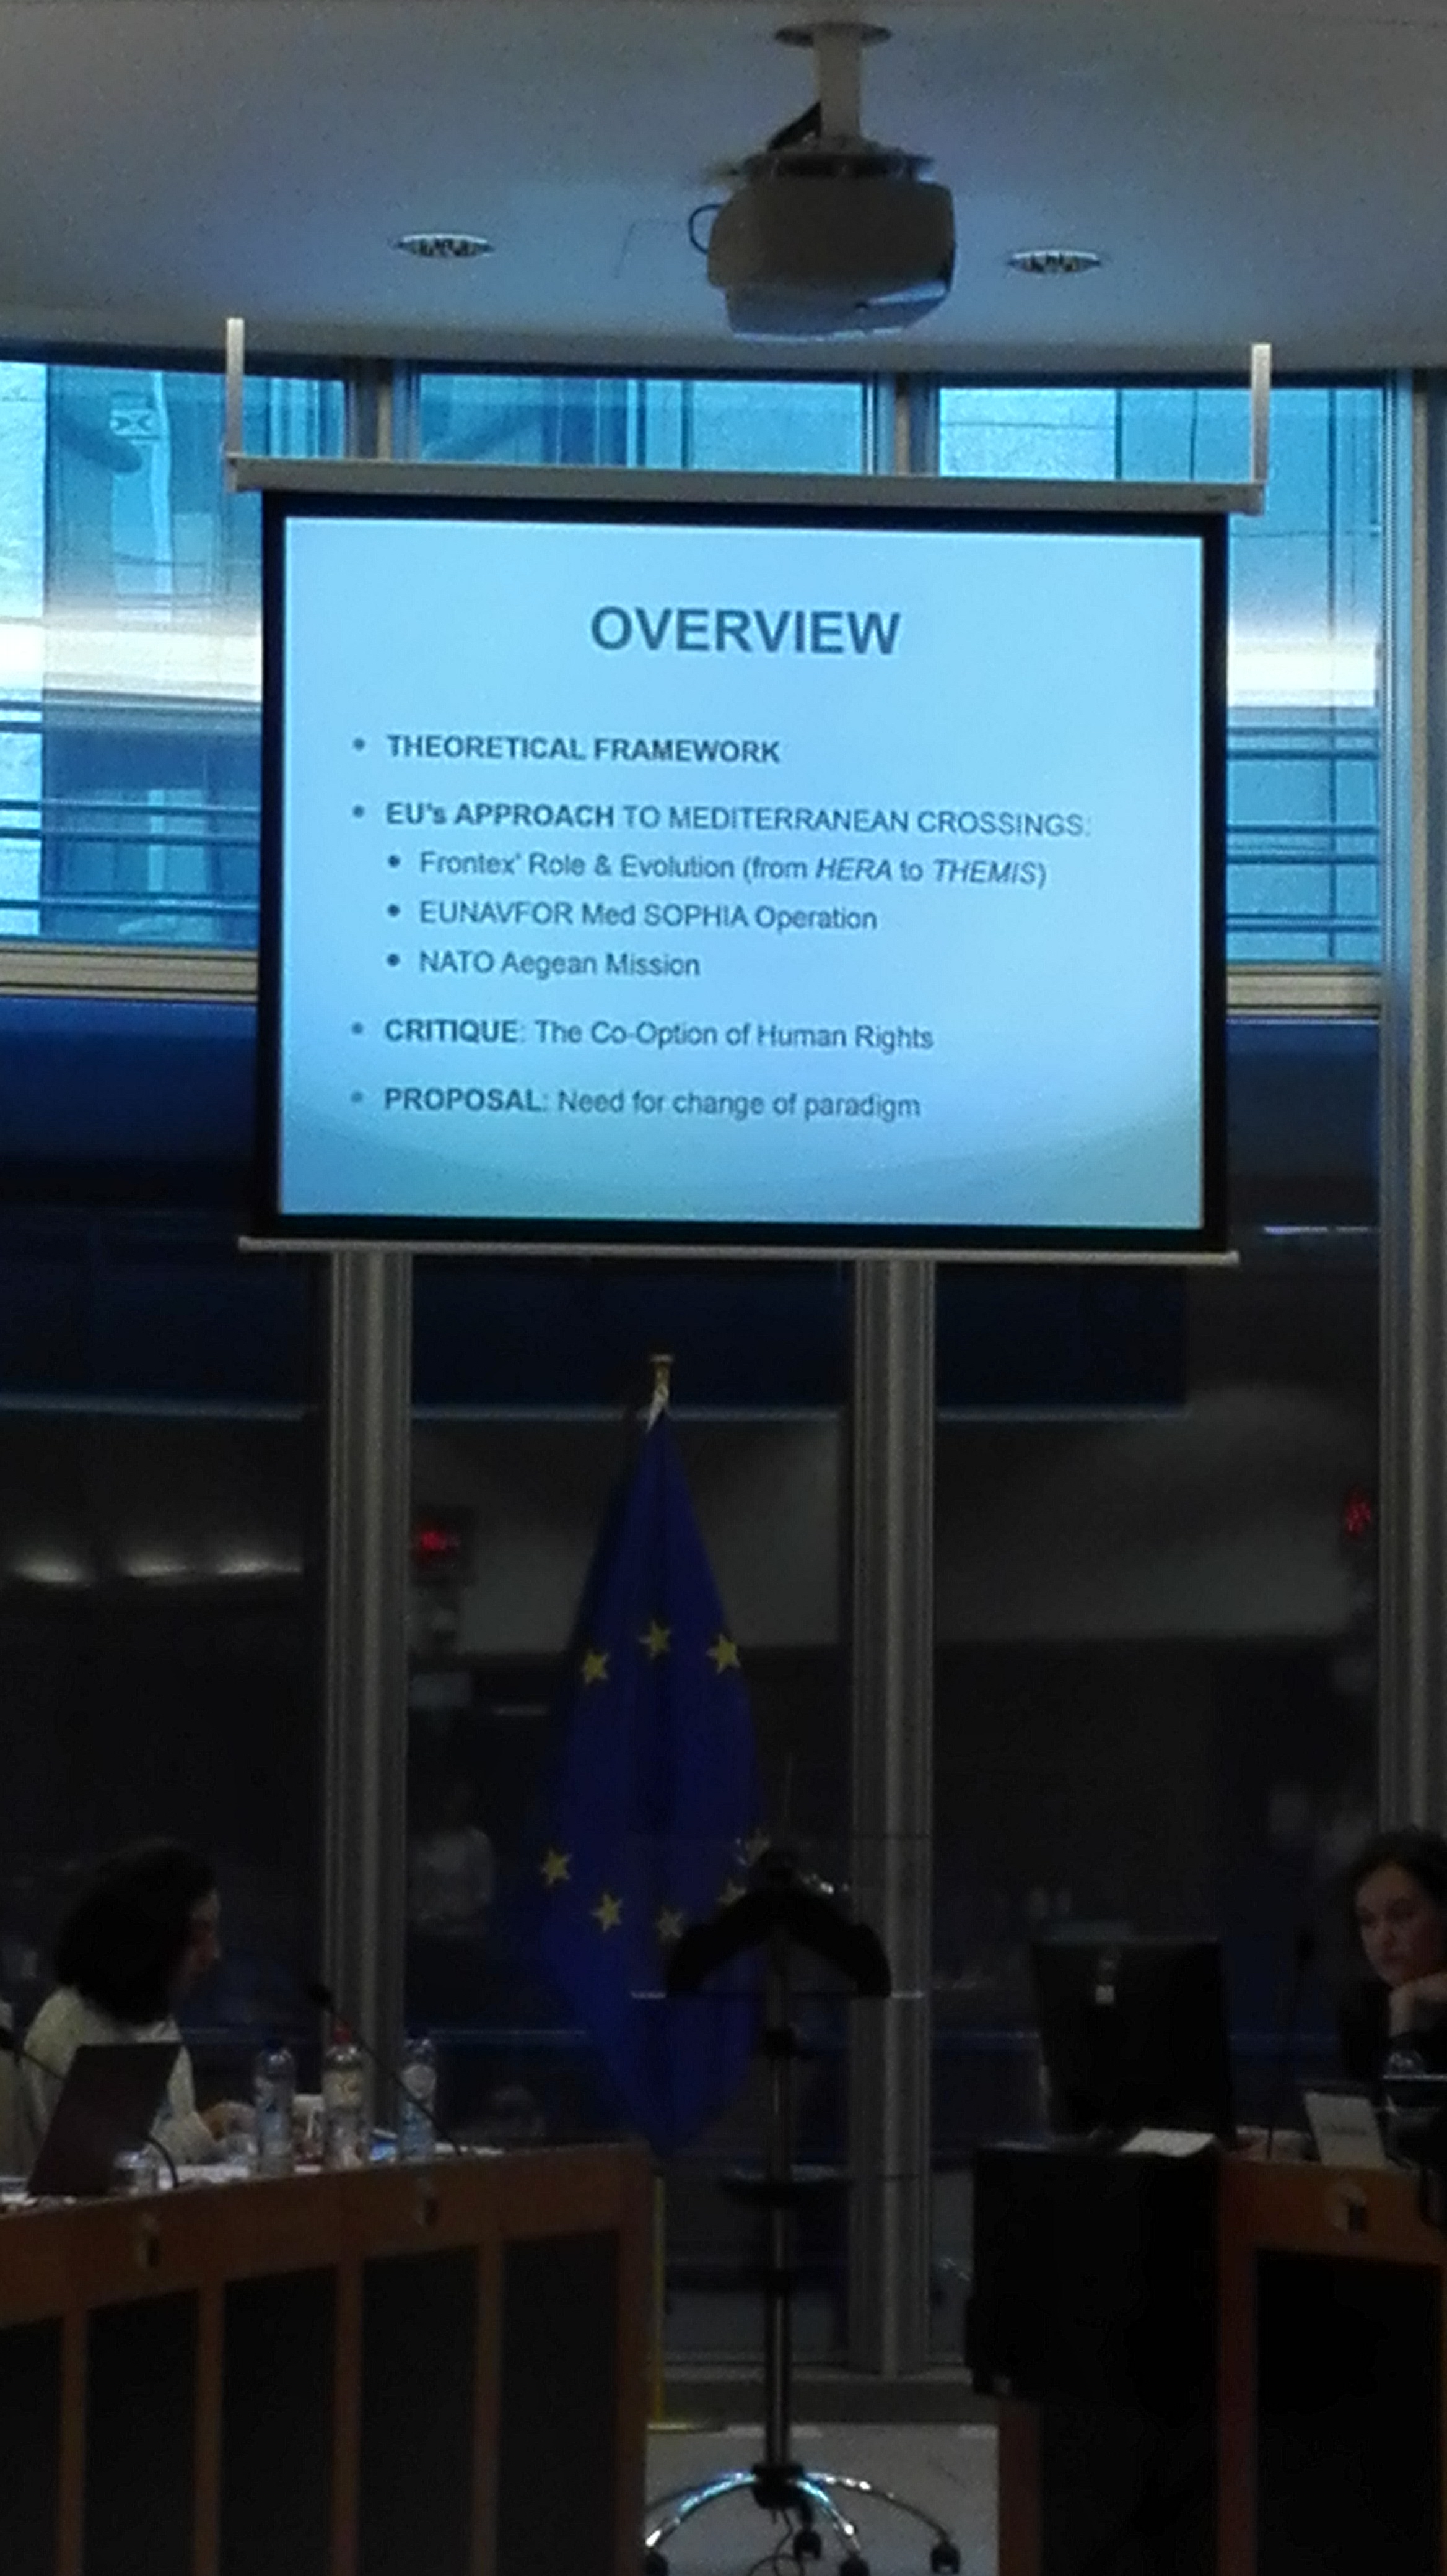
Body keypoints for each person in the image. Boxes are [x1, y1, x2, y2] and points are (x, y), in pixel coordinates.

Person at [19, 1842, 235, 2168]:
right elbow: (105, 2172)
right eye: (197, 1936)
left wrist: (244, 2135)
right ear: (150, 1936)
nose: (213, 1954)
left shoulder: (157, 2022)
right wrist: (207, 2128)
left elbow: (174, 2152)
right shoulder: (67, 2031)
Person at [1339, 1824, 1447, 2091]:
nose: (1382, 1939)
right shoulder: (1363, 2010)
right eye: (1367, 1921)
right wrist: (1404, 2013)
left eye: (1401, 1916)